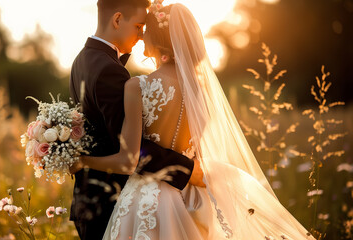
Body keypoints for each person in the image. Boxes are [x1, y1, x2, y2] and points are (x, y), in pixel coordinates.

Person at [80, 2, 317, 240]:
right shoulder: (202, 92)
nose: (141, 37)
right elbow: (197, 151)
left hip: (145, 200)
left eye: (145, 30)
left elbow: (129, 161)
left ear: (158, 38)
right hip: (192, 194)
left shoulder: (137, 87)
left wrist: (82, 161)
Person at [68, 0, 205, 239]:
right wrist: (187, 168)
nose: (142, 36)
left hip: (94, 200)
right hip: (112, 202)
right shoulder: (111, 70)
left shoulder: (82, 60)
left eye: (146, 29)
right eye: (139, 26)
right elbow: (134, 149)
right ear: (118, 19)